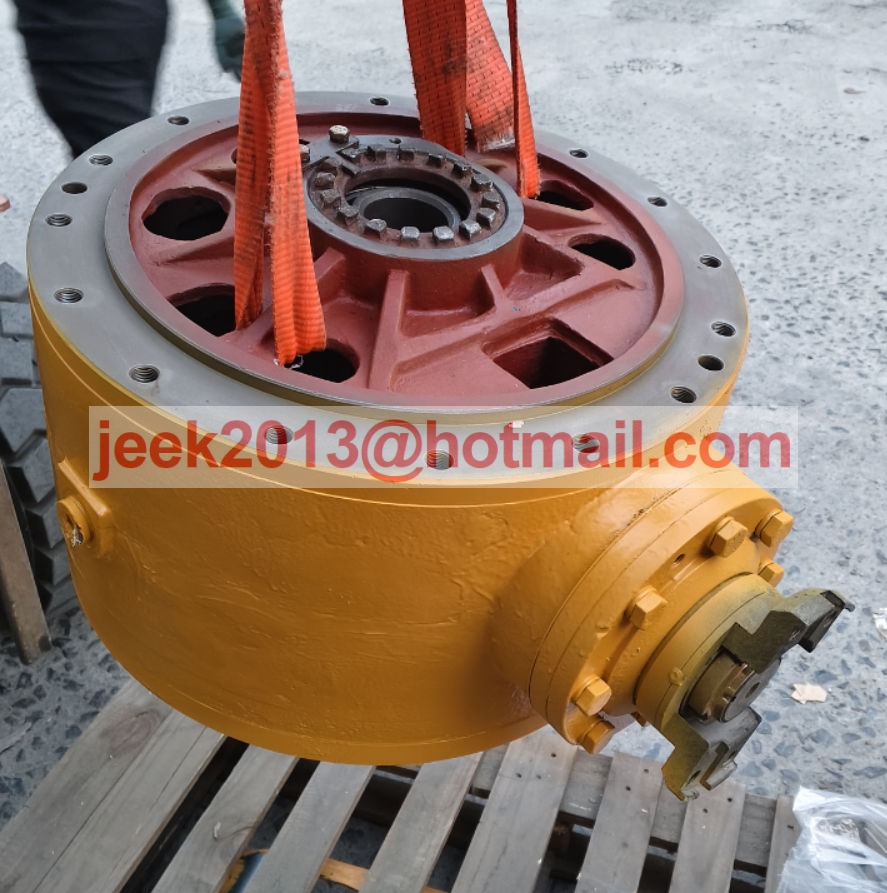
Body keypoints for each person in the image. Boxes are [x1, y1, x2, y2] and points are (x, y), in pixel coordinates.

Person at [12, 0, 244, 158]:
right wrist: (220, 9)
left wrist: (221, 10)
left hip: (78, 33)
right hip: (138, 22)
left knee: (116, 165)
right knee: (122, 151)